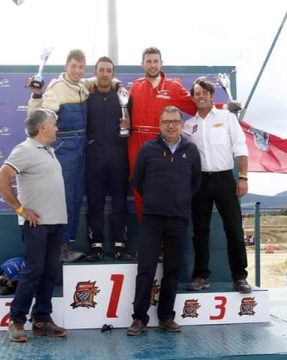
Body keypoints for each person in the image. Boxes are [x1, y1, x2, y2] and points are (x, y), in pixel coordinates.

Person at [0, 109, 68, 342]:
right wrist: (20, 209)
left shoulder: (49, 150)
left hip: (56, 222)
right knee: (33, 272)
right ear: (42, 127)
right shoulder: (24, 150)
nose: (57, 127)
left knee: (48, 273)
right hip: (37, 225)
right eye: (54, 124)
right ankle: (16, 320)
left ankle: (42, 320)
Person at [127, 106, 201, 336]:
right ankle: (139, 318)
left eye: (175, 121)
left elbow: (195, 183)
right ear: (159, 125)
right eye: (166, 121)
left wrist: (180, 201)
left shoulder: (191, 150)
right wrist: (154, 199)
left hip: (178, 217)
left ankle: (166, 317)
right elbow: (137, 181)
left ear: (181, 124)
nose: (171, 125)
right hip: (153, 218)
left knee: (172, 270)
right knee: (146, 269)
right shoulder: (148, 149)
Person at [183, 77, 251, 294]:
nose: (201, 96)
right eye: (197, 93)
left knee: (233, 229)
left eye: (205, 92)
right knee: (200, 231)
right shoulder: (188, 126)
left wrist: (243, 177)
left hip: (224, 179)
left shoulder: (227, 118)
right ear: (193, 98)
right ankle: (201, 276)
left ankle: (240, 277)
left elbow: (240, 148)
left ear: (212, 96)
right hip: (200, 182)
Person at [27, 49, 89, 262]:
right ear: (66, 66)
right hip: (65, 148)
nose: (77, 71)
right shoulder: (56, 88)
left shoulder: (83, 86)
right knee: (65, 199)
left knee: (76, 197)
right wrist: (36, 95)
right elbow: (39, 116)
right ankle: (61, 246)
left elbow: (103, 79)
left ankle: (68, 243)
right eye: (73, 66)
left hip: (82, 147)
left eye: (81, 67)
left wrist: (117, 84)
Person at [127, 47, 196, 220]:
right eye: (148, 61)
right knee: (138, 188)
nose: (152, 65)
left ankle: (165, 242)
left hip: (162, 143)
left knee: (162, 189)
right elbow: (123, 111)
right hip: (136, 142)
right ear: (142, 64)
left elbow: (197, 106)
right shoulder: (135, 87)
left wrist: (225, 108)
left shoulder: (173, 87)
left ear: (161, 63)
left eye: (155, 61)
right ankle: (149, 238)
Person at [84, 56, 134, 262]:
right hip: (94, 154)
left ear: (113, 74)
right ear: (95, 72)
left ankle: (120, 245)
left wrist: (128, 124)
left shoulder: (123, 96)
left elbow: (131, 125)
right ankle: (96, 245)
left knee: (120, 202)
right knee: (94, 202)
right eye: (101, 70)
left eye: (108, 70)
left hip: (118, 154)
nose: (105, 74)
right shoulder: (86, 94)